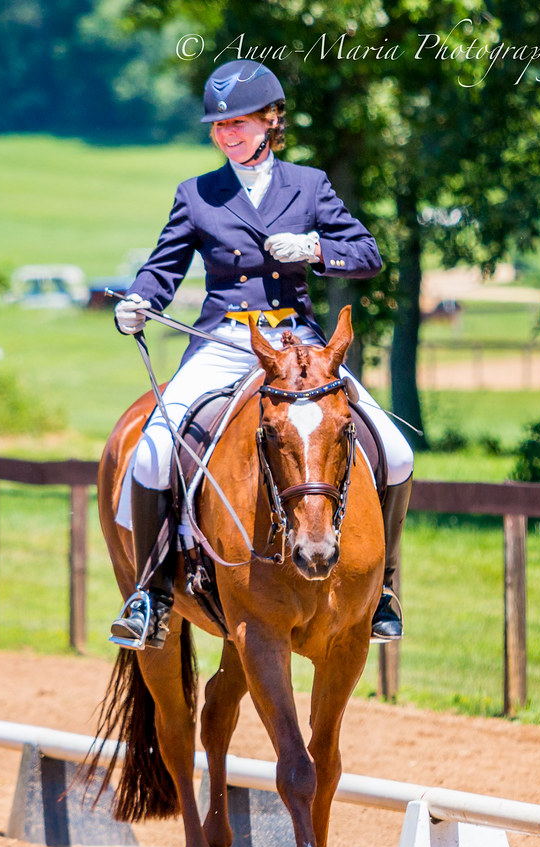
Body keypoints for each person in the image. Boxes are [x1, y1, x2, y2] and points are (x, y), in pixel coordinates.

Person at [110, 59, 413, 650]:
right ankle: (150, 594)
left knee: (396, 452)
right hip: (225, 342)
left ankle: (382, 590)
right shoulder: (197, 194)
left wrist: (315, 247)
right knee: (150, 454)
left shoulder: (310, 184)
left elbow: (367, 254)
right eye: (219, 127)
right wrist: (139, 301)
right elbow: (163, 267)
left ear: (272, 122)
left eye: (240, 123)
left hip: (296, 344)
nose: (227, 134)